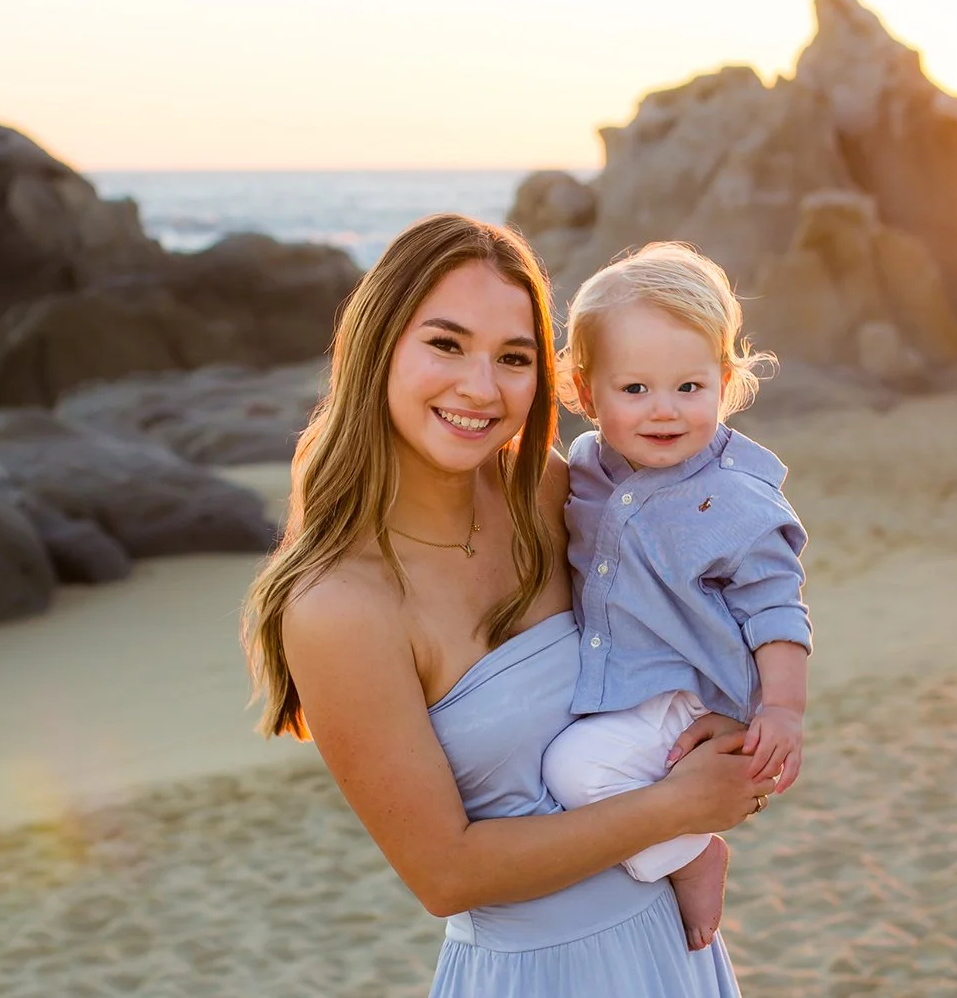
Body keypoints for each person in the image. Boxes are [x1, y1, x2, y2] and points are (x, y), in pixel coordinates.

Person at [242, 214, 772, 997]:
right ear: (378, 345)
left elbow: (708, 587)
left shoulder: (551, 489)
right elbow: (446, 874)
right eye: (447, 344)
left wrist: (728, 714)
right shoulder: (338, 606)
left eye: (513, 358)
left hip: (672, 951)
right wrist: (675, 811)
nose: (481, 389)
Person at [541, 242, 812, 951]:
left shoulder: (733, 497)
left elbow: (776, 607)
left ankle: (693, 854)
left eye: (689, 388)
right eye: (635, 390)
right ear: (583, 389)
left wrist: (780, 709)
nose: (664, 412)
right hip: (619, 681)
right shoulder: (587, 467)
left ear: (722, 381)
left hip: (684, 698)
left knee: (573, 771)